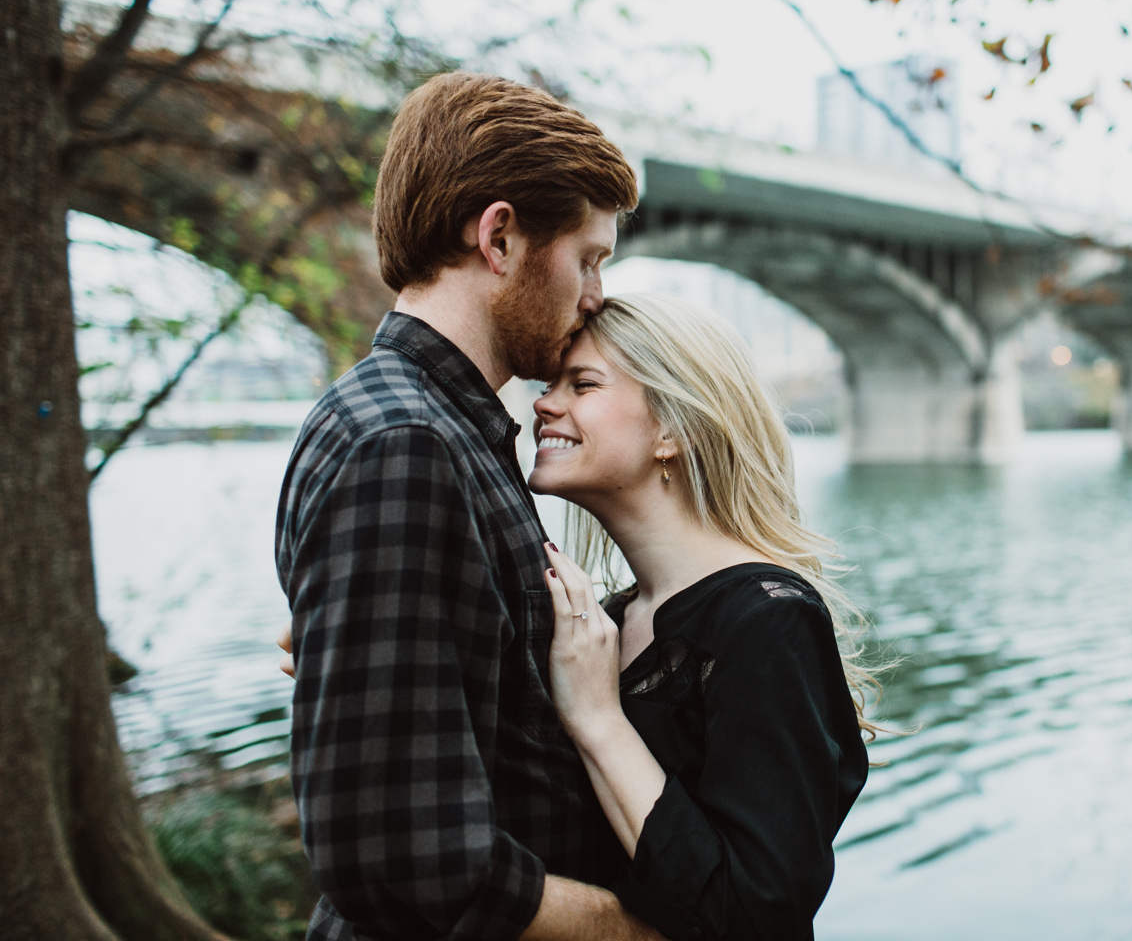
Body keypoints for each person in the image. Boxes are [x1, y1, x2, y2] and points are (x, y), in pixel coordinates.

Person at [274, 70, 661, 941]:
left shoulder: (430, 430)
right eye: (589, 258)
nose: (594, 295)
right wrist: (641, 933)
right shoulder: (405, 447)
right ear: (499, 237)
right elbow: (403, 859)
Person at [528, 293, 873, 941]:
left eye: (582, 383)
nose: (544, 402)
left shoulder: (770, 622)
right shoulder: (604, 622)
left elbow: (756, 913)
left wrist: (598, 719)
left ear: (672, 429)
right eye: (549, 384)